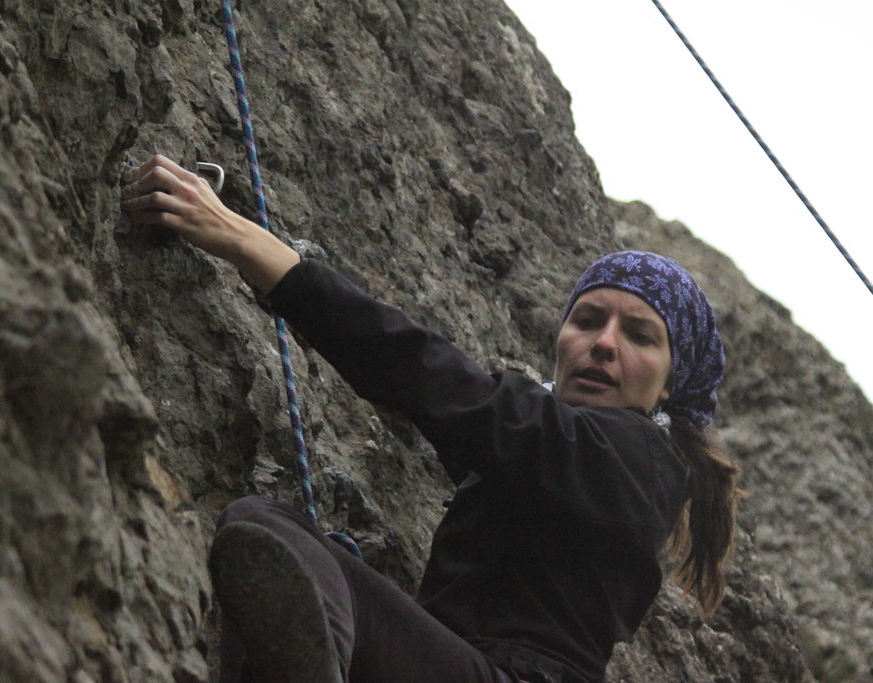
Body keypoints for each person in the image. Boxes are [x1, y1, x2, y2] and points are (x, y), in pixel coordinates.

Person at [120, 155, 742, 683]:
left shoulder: (640, 462)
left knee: (272, 532)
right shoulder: (553, 449)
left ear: (668, 385)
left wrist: (256, 250)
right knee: (298, 560)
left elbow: (442, 385)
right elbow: (425, 393)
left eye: (639, 335)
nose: (603, 343)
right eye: (587, 321)